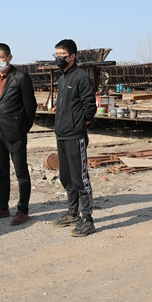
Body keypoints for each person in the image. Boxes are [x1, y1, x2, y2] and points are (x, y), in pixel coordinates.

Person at [0, 43, 37, 226]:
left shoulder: (21, 77)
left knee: (21, 172)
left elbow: (30, 107)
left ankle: (22, 210)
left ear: (9, 58)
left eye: (1, 57)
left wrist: (22, 128)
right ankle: (2, 207)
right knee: (1, 171)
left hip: (16, 133)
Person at [51, 39, 97, 237]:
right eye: (56, 54)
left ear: (72, 56)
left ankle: (87, 220)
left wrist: (78, 125)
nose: (58, 57)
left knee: (80, 179)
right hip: (61, 135)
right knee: (66, 177)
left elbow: (90, 107)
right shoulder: (62, 79)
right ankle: (72, 214)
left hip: (75, 136)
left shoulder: (81, 77)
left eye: (62, 54)